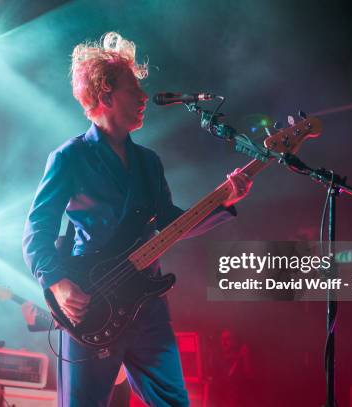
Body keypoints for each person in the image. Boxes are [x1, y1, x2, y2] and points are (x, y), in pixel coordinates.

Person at [22, 32, 253, 407]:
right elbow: (37, 230)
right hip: (91, 298)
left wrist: (225, 201)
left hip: (146, 301)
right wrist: (57, 283)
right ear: (105, 96)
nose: (145, 97)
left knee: (175, 401)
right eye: (134, 90)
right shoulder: (69, 157)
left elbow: (171, 222)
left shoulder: (149, 162)